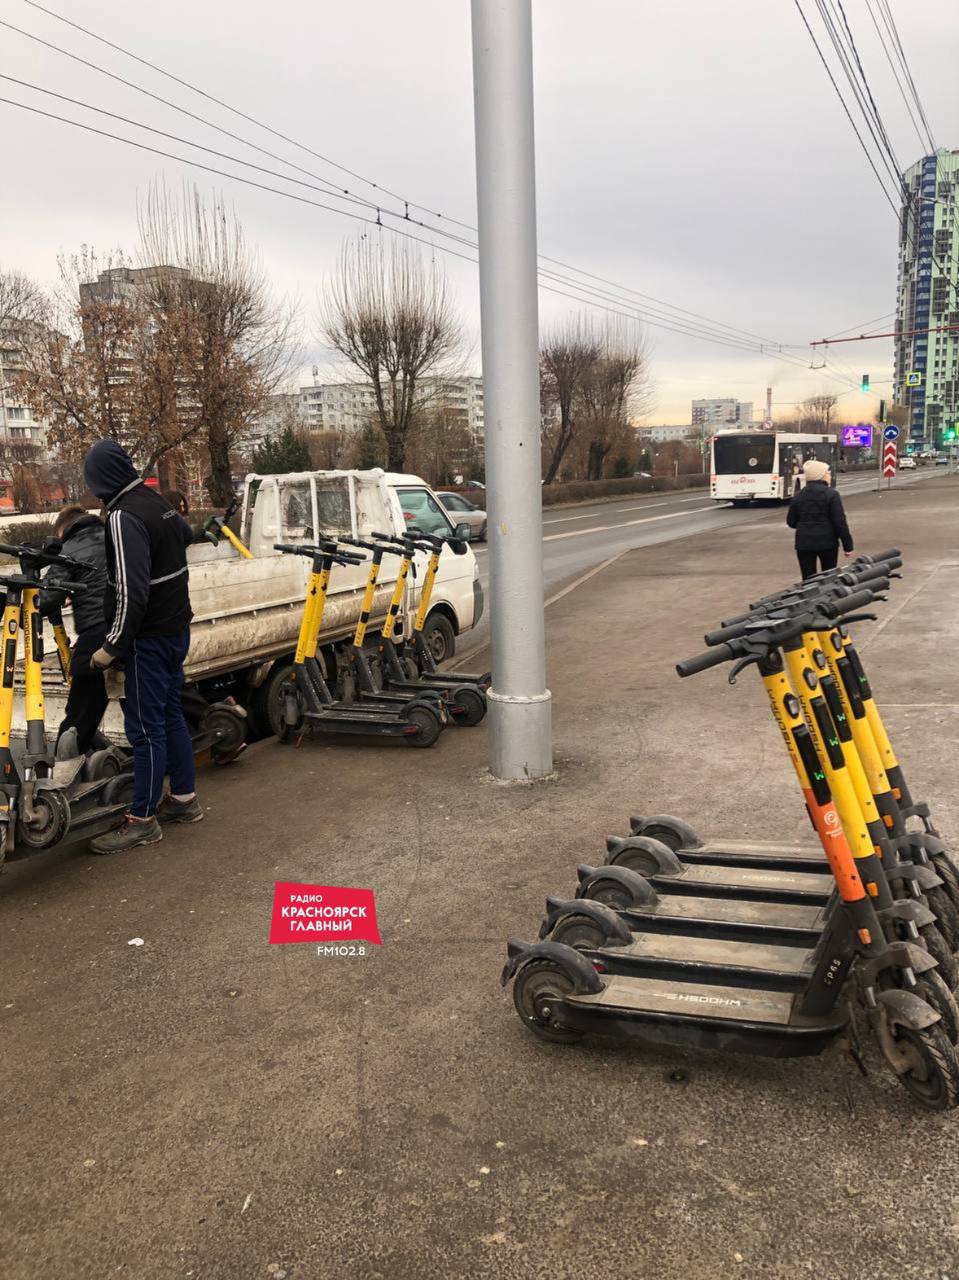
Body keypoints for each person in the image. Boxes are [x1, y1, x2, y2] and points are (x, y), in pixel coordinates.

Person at [82, 440, 203, 854]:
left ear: (100, 479)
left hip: (148, 639)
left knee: (145, 727)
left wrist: (112, 646)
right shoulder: (154, 500)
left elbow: (132, 591)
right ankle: (185, 800)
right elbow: (184, 536)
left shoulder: (121, 515)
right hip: (176, 630)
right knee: (170, 715)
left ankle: (142, 819)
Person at [37, 504, 110, 756]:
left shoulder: (69, 548)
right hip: (130, 623)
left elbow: (46, 600)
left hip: (96, 628)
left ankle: (66, 760)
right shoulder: (112, 536)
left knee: (83, 700)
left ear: (62, 529)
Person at [786, 459, 854, 580]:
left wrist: (805, 525)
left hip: (804, 543)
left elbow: (791, 521)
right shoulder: (831, 494)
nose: (829, 475)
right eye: (827, 473)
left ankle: (809, 598)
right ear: (820, 475)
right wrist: (847, 545)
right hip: (828, 543)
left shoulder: (798, 496)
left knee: (808, 579)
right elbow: (840, 522)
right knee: (829, 577)